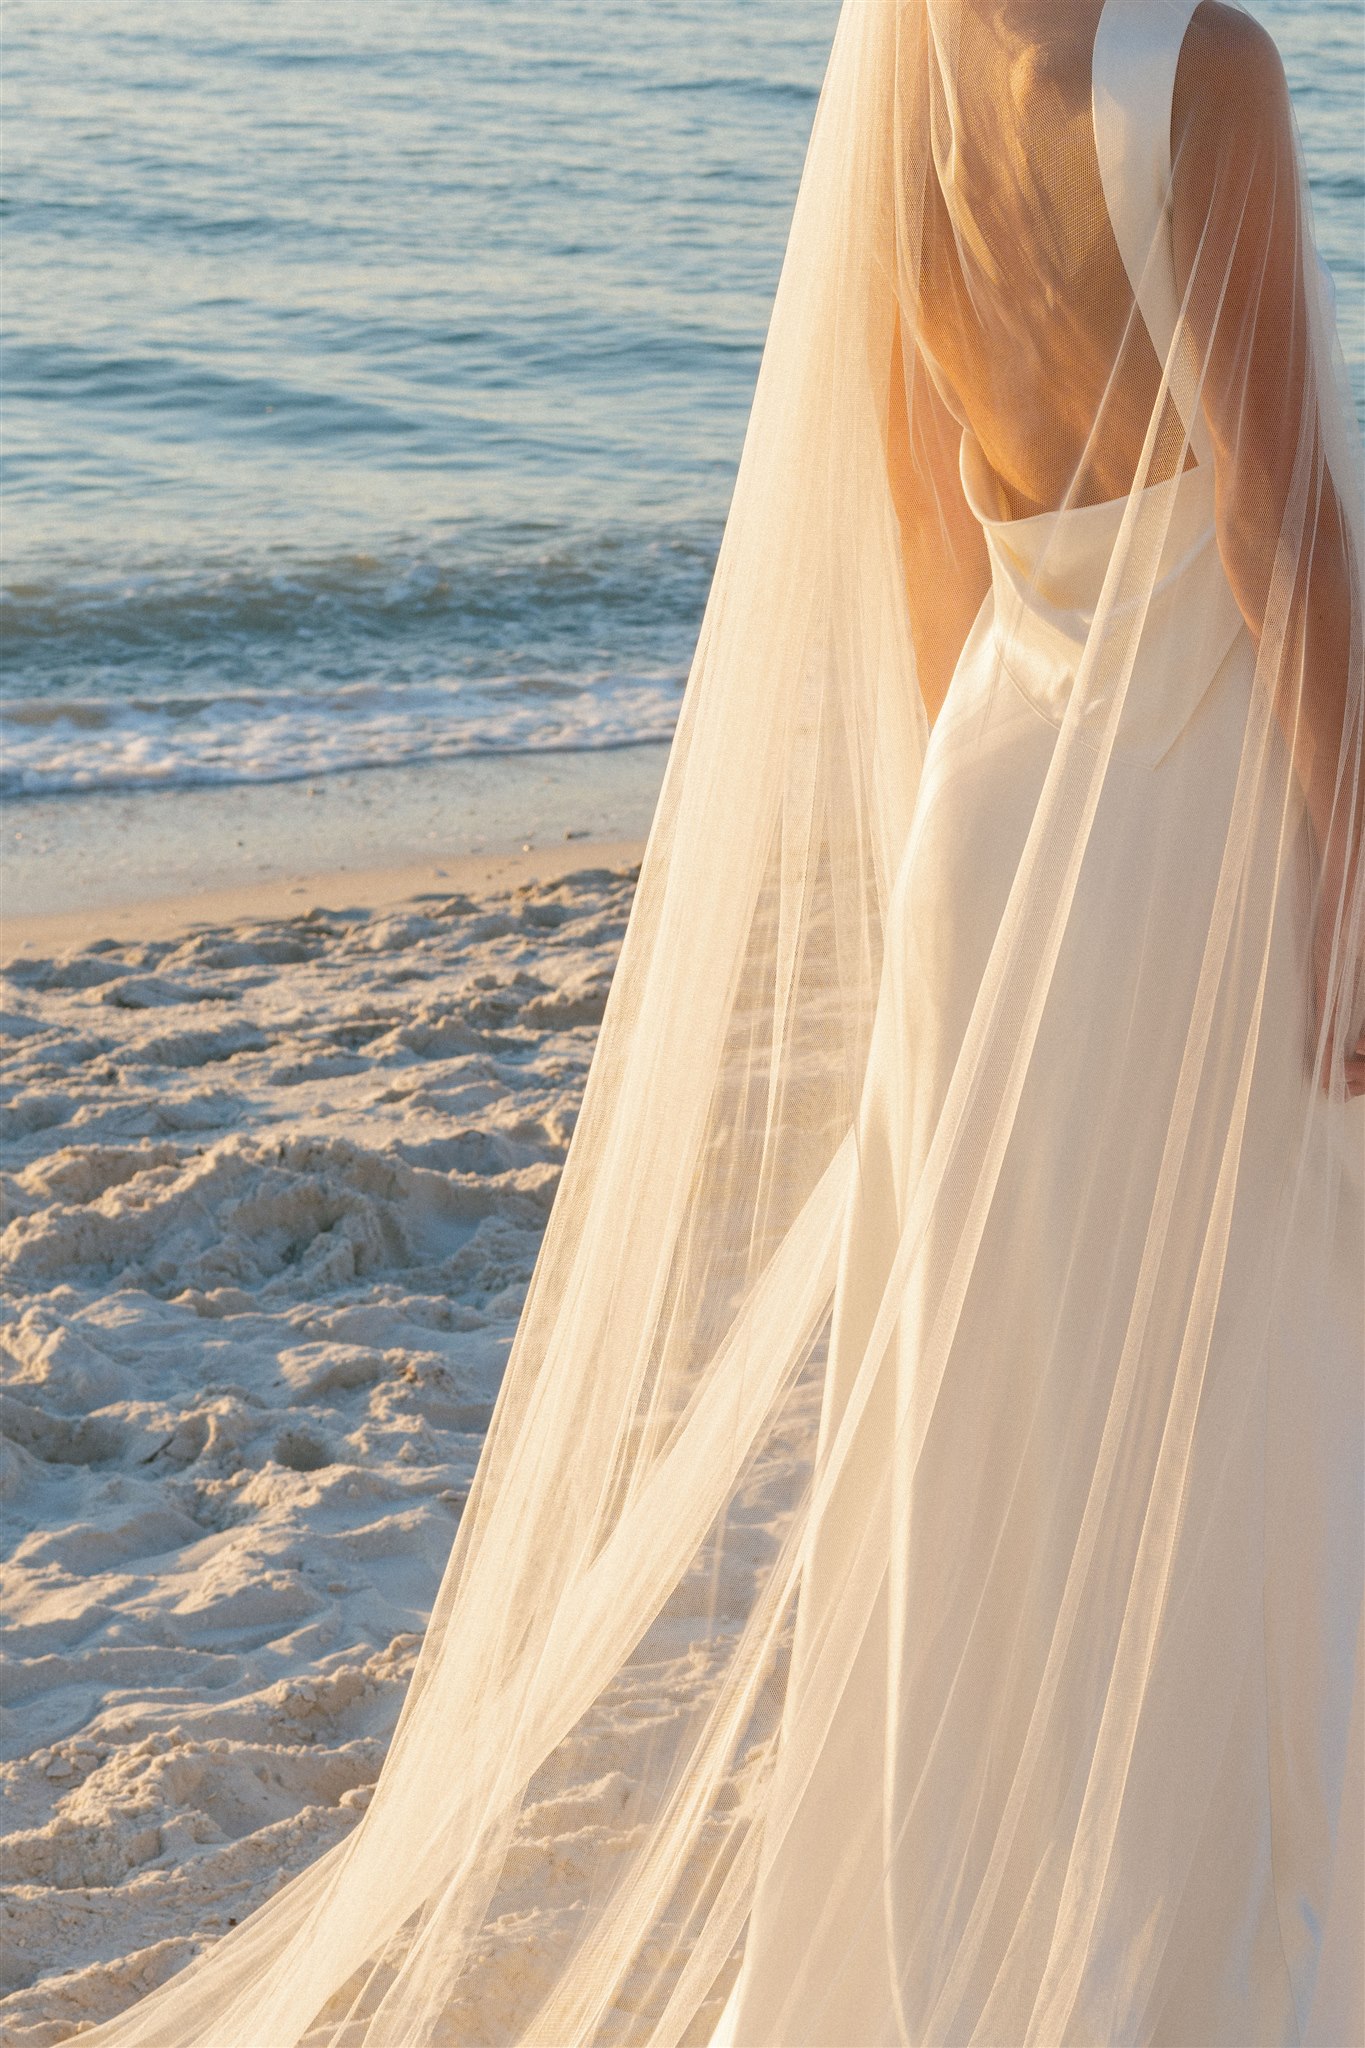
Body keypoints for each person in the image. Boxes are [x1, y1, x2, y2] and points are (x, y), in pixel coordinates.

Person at [83, 2, 1364, 2043]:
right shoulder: (1194, 63)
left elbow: (930, 505)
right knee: (1228, 1396)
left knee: (999, 1428)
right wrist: (1344, 885)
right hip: (1192, 827)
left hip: (996, 800)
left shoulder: (910, 62)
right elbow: (1270, 527)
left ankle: (972, 1942)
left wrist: (993, 850)